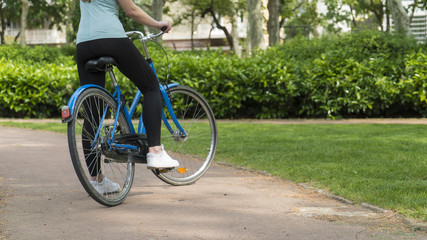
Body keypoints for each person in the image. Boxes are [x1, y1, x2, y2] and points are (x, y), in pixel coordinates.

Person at [76, 0, 179, 194]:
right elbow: (131, 10)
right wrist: (158, 23)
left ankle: (97, 180)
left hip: (83, 44)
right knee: (151, 87)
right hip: (110, 38)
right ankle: (155, 151)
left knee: (92, 112)